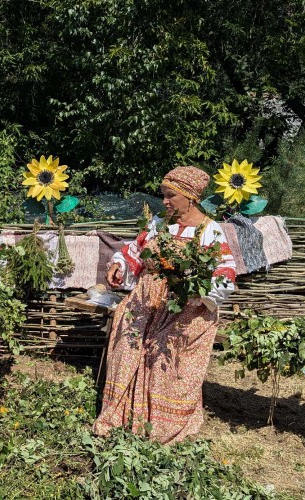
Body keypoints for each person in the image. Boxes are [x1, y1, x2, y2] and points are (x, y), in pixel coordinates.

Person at [93, 166, 236, 444]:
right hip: (145, 300)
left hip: (185, 308)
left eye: (170, 196)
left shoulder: (210, 231)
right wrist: (120, 266)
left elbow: (225, 271)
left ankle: (157, 426)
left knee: (164, 360)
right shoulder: (159, 223)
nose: (165, 202)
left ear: (190, 197)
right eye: (164, 195)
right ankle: (122, 416)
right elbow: (134, 251)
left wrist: (198, 293)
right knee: (127, 348)